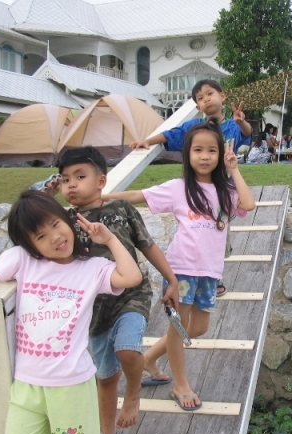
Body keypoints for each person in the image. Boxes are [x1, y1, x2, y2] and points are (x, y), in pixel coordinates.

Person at [0, 190, 142, 434]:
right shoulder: (22, 260)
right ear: (29, 244)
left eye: (56, 225)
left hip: (71, 385)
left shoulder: (92, 268)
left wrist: (108, 239)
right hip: (27, 385)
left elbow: (132, 277)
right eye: (41, 236)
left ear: (67, 219)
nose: (55, 238)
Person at [38, 146, 179, 434]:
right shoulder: (64, 222)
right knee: (105, 379)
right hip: (93, 308)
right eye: (65, 179)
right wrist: (45, 201)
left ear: (101, 181)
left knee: (127, 348)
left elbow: (147, 245)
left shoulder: (121, 209)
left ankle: (133, 393)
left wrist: (171, 279)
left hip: (132, 294)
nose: (72, 185)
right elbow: (33, 230)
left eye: (80, 177)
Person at [103, 119, 256, 411]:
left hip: (209, 272)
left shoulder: (225, 191)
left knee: (198, 327)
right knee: (178, 326)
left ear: (220, 154)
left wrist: (234, 169)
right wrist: (102, 198)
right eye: (197, 150)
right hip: (181, 269)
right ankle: (180, 385)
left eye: (211, 150)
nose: (204, 156)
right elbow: (137, 196)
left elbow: (248, 204)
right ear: (187, 154)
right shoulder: (178, 188)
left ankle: (149, 358)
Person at [130, 79, 252, 299]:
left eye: (210, 94)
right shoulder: (193, 128)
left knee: (219, 231)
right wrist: (147, 141)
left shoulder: (232, 126)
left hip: (223, 191)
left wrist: (241, 122)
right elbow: (170, 134)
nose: (206, 100)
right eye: (200, 98)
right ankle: (196, 273)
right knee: (199, 229)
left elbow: (247, 133)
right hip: (199, 189)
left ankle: (213, 275)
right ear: (197, 106)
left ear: (222, 96)